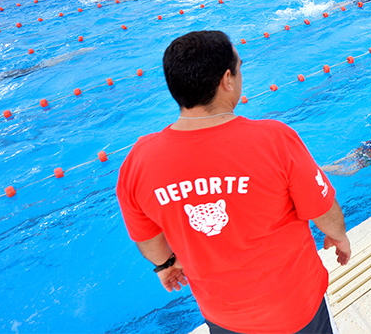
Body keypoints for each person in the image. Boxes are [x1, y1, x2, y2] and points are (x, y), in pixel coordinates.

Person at [116, 31, 351, 334]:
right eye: (240, 68)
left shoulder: (138, 161)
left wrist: (166, 265)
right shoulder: (273, 140)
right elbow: (322, 209)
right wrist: (339, 236)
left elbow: (146, 239)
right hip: (295, 309)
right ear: (227, 79)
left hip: (223, 318)